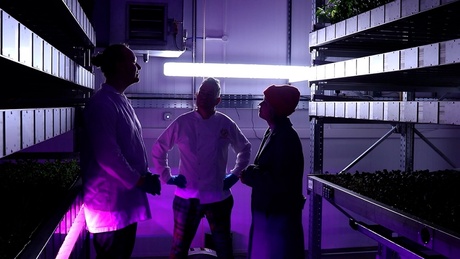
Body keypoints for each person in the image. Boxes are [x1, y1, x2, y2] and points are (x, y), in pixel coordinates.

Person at [151, 77, 251, 259]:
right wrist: (167, 176)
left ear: (217, 100)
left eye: (209, 94)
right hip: (187, 196)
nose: (204, 97)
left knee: (224, 250)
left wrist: (235, 175)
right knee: (178, 249)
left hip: (218, 197)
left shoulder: (225, 123)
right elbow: (159, 148)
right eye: (201, 93)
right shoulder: (183, 122)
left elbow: (245, 148)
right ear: (196, 96)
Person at [80, 43, 161, 259]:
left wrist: (143, 175)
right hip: (109, 205)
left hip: (122, 202)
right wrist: (140, 181)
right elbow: (108, 156)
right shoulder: (102, 104)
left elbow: (128, 147)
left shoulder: (118, 100)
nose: (138, 68)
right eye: (133, 62)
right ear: (118, 66)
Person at [240, 84, 305, 259]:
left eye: (265, 103)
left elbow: (279, 181)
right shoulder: (274, 132)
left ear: (275, 109)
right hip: (271, 215)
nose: (260, 105)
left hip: (277, 216)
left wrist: (249, 176)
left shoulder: (285, 137)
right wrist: (254, 171)